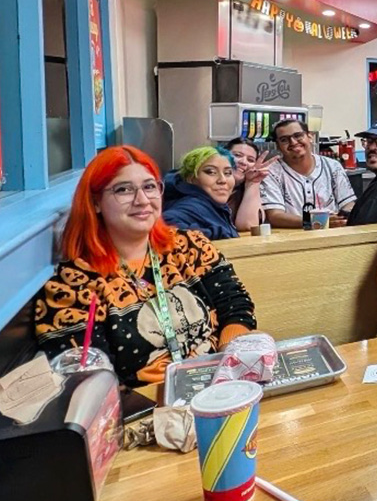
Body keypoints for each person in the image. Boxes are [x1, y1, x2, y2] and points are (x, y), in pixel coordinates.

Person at [35, 146, 256, 386]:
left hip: (216, 384)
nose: (142, 200)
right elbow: (85, 377)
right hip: (142, 407)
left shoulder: (189, 245)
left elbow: (236, 305)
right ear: (96, 202)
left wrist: (227, 361)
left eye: (150, 187)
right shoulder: (75, 282)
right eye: (124, 190)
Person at [260, 119, 356, 228]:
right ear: (277, 145)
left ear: (310, 137)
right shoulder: (271, 172)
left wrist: (343, 217)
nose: (293, 142)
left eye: (298, 136)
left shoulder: (333, 166)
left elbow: (348, 204)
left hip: (332, 235)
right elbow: (275, 216)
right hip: (291, 239)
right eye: (284, 140)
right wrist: (316, 221)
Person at [161, 146, 239, 241]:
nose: (222, 180)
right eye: (211, 172)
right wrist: (218, 233)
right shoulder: (193, 205)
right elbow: (165, 222)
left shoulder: (213, 205)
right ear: (191, 178)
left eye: (228, 173)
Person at [225, 137, 275, 230]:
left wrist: (253, 182)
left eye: (251, 160)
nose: (243, 162)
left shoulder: (247, 190)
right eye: (237, 155)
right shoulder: (208, 187)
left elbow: (248, 226)